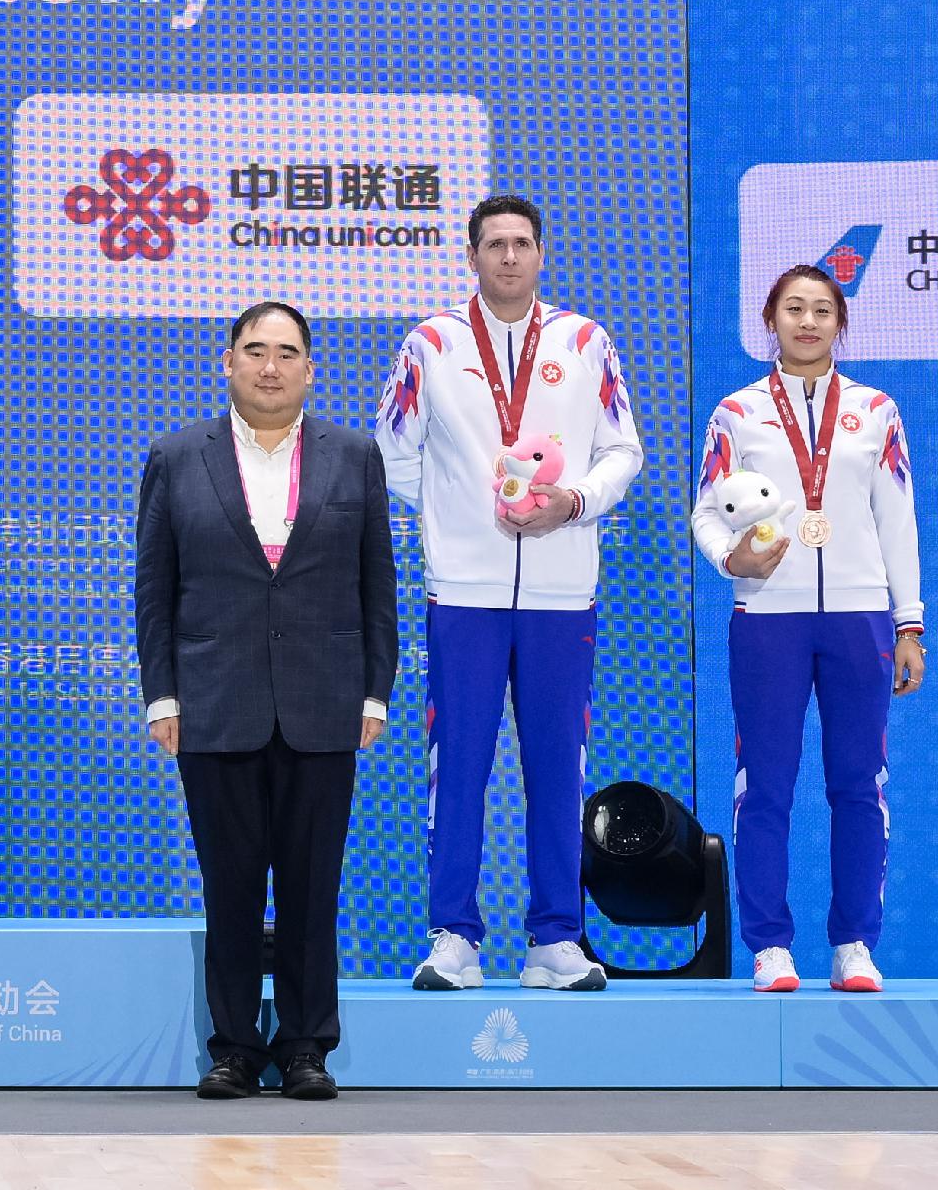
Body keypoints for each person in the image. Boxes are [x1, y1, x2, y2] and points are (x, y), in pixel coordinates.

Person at [376, 192, 643, 992]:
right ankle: (453, 935)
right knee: (457, 762)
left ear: (540, 253)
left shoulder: (585, 341)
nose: (509, 256)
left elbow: (622, 449)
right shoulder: (430, 344)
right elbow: (390, 450)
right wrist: (459, 513)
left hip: (563, 591)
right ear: (471, 255)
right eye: (493, 243)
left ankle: (555, 938)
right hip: (464, 590)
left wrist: (571, 503)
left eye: (522, 243)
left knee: (559, 765)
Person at [136, 303, 398, 1101]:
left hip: (324, 702)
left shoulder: (353, 456)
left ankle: (308, 1044)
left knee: (314, 886)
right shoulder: (179, 456)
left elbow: (376, 585)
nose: (271, 366)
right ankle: (235, 1048)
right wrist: (161, 697)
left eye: (287, 352)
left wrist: (375, 691)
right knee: (232, 886)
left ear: (310, 368)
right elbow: (155, 589)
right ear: (229, 361)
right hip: (217, 702)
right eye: (255, 350)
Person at [692, 263, 927, 995]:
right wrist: (733, 557)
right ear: (772, 319)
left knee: (859, 785)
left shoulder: (877, 410)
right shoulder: (737, 412)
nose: (807, 322)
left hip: (860, 619)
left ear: (840, 323)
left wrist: (909, 623)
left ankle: (855, 943)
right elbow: (705, 509)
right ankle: (769, 946)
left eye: (822, 310)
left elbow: (898, 518)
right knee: (765, 785)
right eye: (793, 308)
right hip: (767, 615)